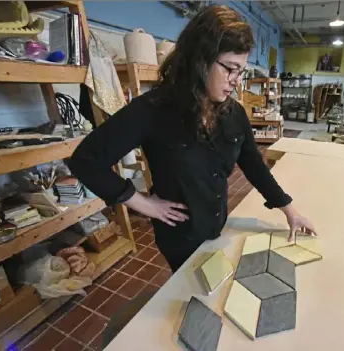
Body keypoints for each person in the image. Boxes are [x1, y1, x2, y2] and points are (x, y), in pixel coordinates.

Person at [69, 5, 316, 273]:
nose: (235, 81)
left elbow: (253, 165)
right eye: (230, 69)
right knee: (194, 295)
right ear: (201, 60)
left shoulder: (233, 113)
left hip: (218, 224)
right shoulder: (153, 110)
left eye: (241, 71)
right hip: (180, 236)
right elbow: (86, 160)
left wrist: (289, 209)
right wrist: (141, 203)